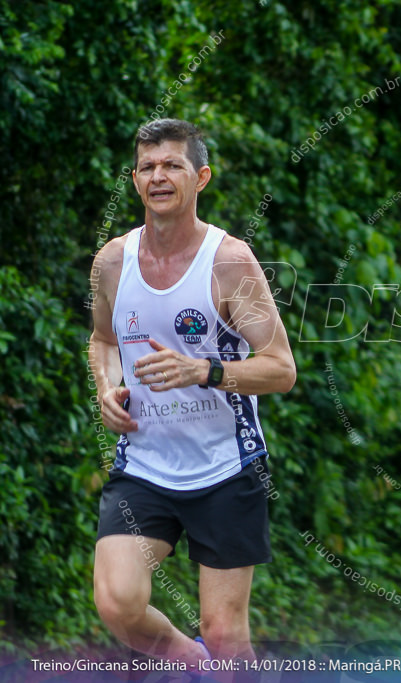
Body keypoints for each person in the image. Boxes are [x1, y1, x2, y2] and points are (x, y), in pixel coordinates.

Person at [88, 118, 296, 668]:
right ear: (135, 180)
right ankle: (197, 668)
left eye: (172, 165)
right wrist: (107, 387)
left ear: (200, 177)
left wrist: (204, 370)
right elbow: (102, 339)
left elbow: (280, 369)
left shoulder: (229, 261)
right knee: (117, 602)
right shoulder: (112, 261)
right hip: (146, 465)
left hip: (226, 467)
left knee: (226, 635)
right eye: (147, 167)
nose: (159, 176)